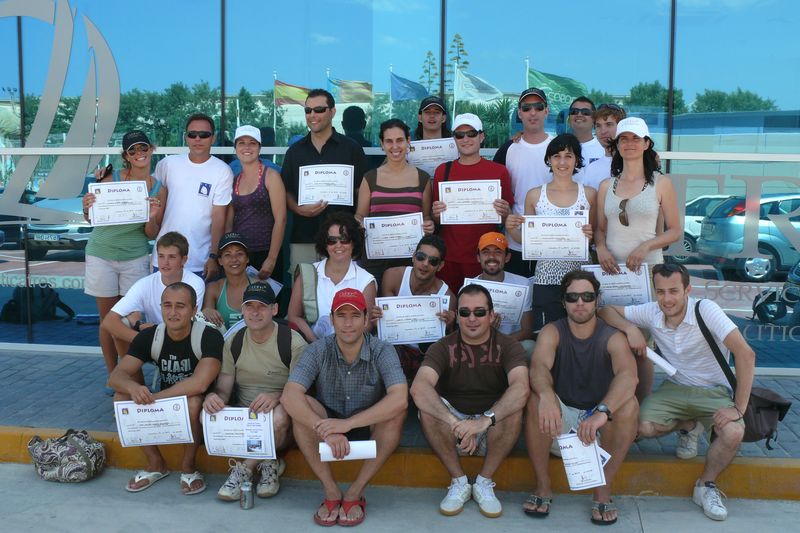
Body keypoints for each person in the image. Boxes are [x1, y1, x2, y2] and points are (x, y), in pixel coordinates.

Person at [597, 263, 755, 522]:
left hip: (714, 392)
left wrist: (739, 408)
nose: (667, 299)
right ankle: (689, 426)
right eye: (660, 292)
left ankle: (706, 486)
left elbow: (746, 354)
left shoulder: (706, 309)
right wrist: (630, 328)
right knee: (641, 428)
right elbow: (605, 310)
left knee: (734, 432)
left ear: (687, 290)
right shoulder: (652, 311)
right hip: (675, 388)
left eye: (673, 291)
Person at [282, 288, 407, 527]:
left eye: (355, 315)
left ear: (366, 319)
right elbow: (290, 395)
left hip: (367, 422)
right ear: (331, 319)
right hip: (327, 421)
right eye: (341, 316)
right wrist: (327, 430)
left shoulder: (383, 349)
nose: (348, 323)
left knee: (396, 413)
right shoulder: (318, 349)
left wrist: (347, 424)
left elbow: (400, 398)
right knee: (301, 406)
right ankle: (331, 490)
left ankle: (354, 493)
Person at [523, 270, 638, 525]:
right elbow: (539, 366)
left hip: (600, 429)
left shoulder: (612, 336)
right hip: (558, 424)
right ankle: (543, 486)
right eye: (572, 297)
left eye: (587, 296)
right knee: (536, 399)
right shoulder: (552, 331)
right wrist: (546, 396)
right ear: (563, 302)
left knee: (629, 405)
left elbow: (629, 376)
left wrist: (602, 412)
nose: (580, 302)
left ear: (597, 300)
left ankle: (602, 491)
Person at [410, 284, 529, 518]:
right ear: (457, 316)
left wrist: (483, 421)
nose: (472, 319)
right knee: (428, 410)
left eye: (479, 312)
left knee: (514, 407)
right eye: (465, 312)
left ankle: (484, 482)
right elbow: (419, 388)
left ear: (491, 315)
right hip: (453, 428)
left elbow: (521, 388)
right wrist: (457, 423)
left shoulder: (509, 345)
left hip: (491, 425)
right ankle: (459, 482)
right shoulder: (442, 346)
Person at [594, 116, 681, 400]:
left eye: (635, 138)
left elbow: (675, 231)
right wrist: (601, 248)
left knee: (643, 347)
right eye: (624, 138)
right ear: (617, 145)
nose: (629, 143)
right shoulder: (606, 186)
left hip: (647, 274)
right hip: (612, 274)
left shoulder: (661, 183)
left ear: (646, 144)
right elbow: (600, 230)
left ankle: (640, 408)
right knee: (611, 341)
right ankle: (613, 404)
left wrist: (646, 247)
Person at [108, 282, 223, 495]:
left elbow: (200, 383)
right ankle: (156, 464)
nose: (173, 312)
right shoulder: (150, 336)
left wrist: (154, 397)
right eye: (167, 305)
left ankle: (189, 467)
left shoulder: (209, 336)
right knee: (121, 397)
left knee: (193, 401)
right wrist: (133, 388)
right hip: (165, 406)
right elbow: (116, 376)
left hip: (200, 411)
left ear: (194, 310)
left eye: (180, 306)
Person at [203, 282, 307, 501]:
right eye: (249, 306)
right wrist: (214, 398)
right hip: (247, 417)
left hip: (280, 418)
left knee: (280, 415)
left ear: (274, 309)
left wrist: (276, 397)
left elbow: (301, 391)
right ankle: (269, 461)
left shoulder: (292, 342)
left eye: (262, 306)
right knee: (207, 413)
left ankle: (243, 470)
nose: (255, 312)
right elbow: (224, 388)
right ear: (242, 310)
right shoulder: (234, 341)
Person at [82, 130, 167, 384]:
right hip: (102, 254)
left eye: (143, 148)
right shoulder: (110, 178)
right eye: (133, 150)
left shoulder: (159, 188)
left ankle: (130, 375)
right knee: (108, 320)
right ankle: (114, 377)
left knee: (129, 320)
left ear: (152, 149)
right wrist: (86, 207)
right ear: (126, 156)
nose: (139, 153)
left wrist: (152, 216)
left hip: (135, 257)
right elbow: (92, 218)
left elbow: (151, 233)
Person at [506, 134, 595, 335]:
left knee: (581, 336)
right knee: (548, 336)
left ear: (577, 160)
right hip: (546, 277)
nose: (562, 162)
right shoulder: (535, 195)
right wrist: (511, 228)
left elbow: (596, 237)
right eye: (556, 156)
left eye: (568, 156)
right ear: (548, 160)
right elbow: (528, 241)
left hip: (581, 277)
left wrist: (591, 235)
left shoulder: (589, 194)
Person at [281, 89, 367, 275]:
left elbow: (362, 189)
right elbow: (285, 190)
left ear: (333, 112)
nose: (312, 115)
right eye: (308, 110)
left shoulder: (352, 149)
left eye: (319, 109)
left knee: (343, 289)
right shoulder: (294, 152)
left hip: (343, 239)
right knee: (304, 288)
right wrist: (298, 209)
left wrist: (358, 217)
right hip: (305, 236)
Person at [432, 113, 513, 290]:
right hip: (449, 258)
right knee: (450, 306)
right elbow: (437, 220)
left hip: (485, 258)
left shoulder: (499, 172)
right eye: (460, 135)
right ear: (454, 139)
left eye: (471, 134)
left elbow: (506, 218)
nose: (466, 139)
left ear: (481, 137)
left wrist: (506, 212)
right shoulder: (442, 171)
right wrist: (436, 214)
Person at [152, 112, 233, 279]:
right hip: (163, 260)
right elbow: (144, 190)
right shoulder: (167, 164)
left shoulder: (222, 171)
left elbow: (219, 218)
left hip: (200, 261)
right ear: (185, 137)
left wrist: (213, 256)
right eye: (192, 134)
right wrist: (107, 177)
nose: (197, 139)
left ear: (213, 138)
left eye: (204, 135)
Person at [355, 118, 434, 285]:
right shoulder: (370, 178)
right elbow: (360, 216)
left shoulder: (423, 178)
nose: (395, 146)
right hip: (376, 259)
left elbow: (427, 217)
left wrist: (429, 225)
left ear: (408, 141)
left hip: (411, 261)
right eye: (389, 141)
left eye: (400, 140)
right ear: (382, 144)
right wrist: (359, 223)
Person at [102, 232, 206, 358]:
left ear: (184, 260)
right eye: (161, 256)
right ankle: (132, 371)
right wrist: (145, 338)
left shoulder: (195, 283)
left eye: (172, 257)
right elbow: (108, 321)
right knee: (122, 324)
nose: (165, 262)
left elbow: (184, 326)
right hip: (153, 341)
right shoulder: (145, 284)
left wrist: (142, 326)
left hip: (184, 343)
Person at [371, 235, 456, 379]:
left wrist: (449, 325)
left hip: (425, 354)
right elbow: (386, 323)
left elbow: (447, 340)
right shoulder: (392, 276)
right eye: (421, 257)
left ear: (440, 266)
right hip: (394, 347)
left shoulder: (448, 296)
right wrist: (378, 318)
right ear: (413, 257)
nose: (425, 264)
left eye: (433, 261)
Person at [287, 212, 376, 342]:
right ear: (325, 243)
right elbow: (294, 316)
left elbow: (366, 324)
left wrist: (340, 347)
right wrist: (317, 344)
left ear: (354, 242)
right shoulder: (307, 273)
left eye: (344, 239)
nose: (338, 245)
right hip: (312, 346)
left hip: (351, 347)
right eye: (332, 240)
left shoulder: (366, 280)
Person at [493, 88, 553, 278]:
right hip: (516, 241)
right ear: (519, 113)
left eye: (538, 107)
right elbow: (495, 191)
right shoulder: (508, 149)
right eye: (527, 108)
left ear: (546, 111)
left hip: (553, 240)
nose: (532, 112)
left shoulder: (559, 148)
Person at [226, 125, 286, 281]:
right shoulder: (234, 180)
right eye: (241, 143)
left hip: (265, 252)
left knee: (267, 297)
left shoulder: (271, 176)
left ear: (259, 148)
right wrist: (229, 253)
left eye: (252, 143)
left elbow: (281, 219)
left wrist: (272, 258)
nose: (247, 147)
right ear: (235, 149)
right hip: (240, 255)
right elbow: (229, 223)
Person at [472, 232, 534, 354]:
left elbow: (527, 330)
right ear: (478, 257)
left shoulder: (522, 283)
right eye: (485, 252)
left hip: (511, 342)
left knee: (530, 346)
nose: (492, 257)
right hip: (479, 344)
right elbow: (465, 332)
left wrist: (500, 344)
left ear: (507, 257)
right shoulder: (468, 288)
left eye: (498, 252)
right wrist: (486, 332)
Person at [201, 232, 257, 330]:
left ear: (247, 258)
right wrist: (206, 312)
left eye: (239, 254)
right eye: (227, 255)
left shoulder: (259, 286)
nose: (234, 259)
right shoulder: (214, 288)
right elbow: (206, 319)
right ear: (220, 261)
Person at [578, 103, 627, 190]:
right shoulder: (592, 169)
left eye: (609, 124)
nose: (603, 131)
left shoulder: (633, 164)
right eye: (598, 126)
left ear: (621, 127)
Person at [567, 97, 606, 168]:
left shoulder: (605, 149)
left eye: (585, 112)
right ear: (569, 119)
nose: (579, 115)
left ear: (594, 120)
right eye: (574, 111)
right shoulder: (557, 147)